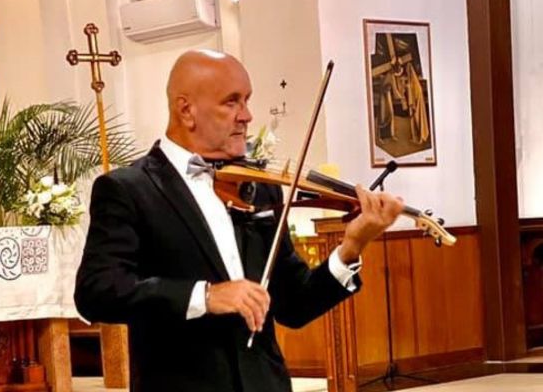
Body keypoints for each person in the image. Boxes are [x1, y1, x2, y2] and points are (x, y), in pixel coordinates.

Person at [74, 49, 404, 392]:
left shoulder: (261, 190)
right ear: (186, 110)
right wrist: (206, 295)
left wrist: (352, 246)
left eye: (246, 100)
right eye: (231, 102)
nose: (246, 115)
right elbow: (96, 292)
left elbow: (294, 305)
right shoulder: (128, 189)